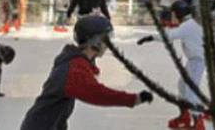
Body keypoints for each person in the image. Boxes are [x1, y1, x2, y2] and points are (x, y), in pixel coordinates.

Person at [20, 14, 152, 130]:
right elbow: (97, 93)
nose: (109, 45)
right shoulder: (74, 69)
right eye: (106, 39)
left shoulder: (74, 60)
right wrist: (133, 99)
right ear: (95, 42)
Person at [139, 0, 205, 129]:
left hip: (198, 61)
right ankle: (185, 116)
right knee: (182, 86)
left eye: (173, 14)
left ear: (179, 13)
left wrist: (152, 37)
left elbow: (170, 35)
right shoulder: (189, 23)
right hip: (194, 61)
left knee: (191, 92)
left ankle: (199, 122)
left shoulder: (189, 25)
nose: (172, 17)